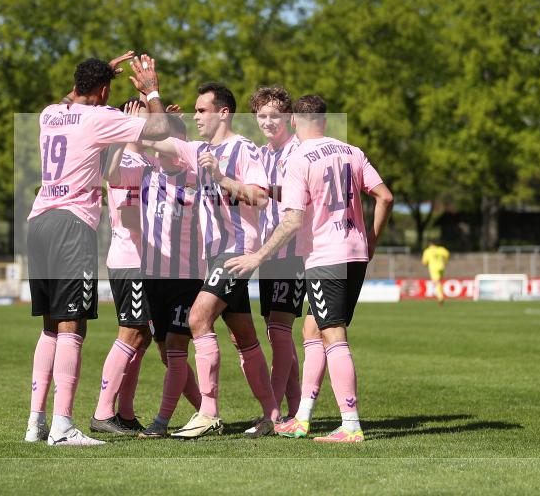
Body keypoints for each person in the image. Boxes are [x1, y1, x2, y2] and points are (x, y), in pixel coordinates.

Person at [226, 95, 394, 443]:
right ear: (325, 121)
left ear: (294, 122)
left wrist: (258, 256)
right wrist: (372, 240)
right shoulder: (352, 151)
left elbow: (293, 220)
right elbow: (385, 197)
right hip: (355, 253)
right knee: (312, 329)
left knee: (333, 334)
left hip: (324, 256)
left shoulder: (299, 158)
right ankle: (301, 418)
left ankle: (350, 425)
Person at [25, 53, 169, 447]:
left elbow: (72, 98)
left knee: (50, 327)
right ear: (104, 91)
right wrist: (151, 90)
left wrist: (98, 72)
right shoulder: (99, 118)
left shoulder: (50, 113)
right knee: (73, 326)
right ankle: (62, 426)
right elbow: (158, 127)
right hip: (72, 225)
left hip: (39, 221)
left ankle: (36, 422)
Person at [146, 82, 278, 439]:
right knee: (243, 336)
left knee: (198, 317)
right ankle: (273, 414)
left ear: (223, 112)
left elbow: (261, 198)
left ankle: (208, 412)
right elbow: (156, 141)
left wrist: (220, 177)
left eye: (202, 110)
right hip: (216, 254)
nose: (196, 116)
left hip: (236, 251)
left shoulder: (243, 148)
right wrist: (151, 96)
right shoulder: (198, 150)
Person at [111, 113, 204, 438]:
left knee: (176, 349)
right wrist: (130, 131)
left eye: (173, 143)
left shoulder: (198, 178)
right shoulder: (146, 176)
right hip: (152, 278)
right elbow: (113, 178)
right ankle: (207, 410)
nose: (166, 150)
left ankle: (161, 423)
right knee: (165, 351)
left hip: (187, 278)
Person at [90, 102, 152, 436]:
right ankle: (102, 413)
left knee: (143, 336)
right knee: (130, 331)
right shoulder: (123, 158)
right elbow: (109, 174)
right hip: (130, 258)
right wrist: (122, 130)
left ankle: (126, 413)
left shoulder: (149, 159)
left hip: (150, 261)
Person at [250, 85, 304, 420]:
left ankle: (270, 413)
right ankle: (296, 411)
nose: (268, 122)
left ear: (288, 117)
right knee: (277, 331)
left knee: (279, 330)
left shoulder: (299, 151)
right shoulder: (260, 154)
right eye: (262, 116)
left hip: (294, 251)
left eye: (275, 115)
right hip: (268, 252)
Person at [422, 241, 450, 306]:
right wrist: (445, 261)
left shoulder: (427, 251)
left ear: (429, 245)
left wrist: (427, 263)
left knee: (436, 283)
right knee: (439, 282)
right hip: (441, 267)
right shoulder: (441, 249)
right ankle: (441, 294)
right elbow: (447, 254)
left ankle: (440, 297)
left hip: (433, 268)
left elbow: (424, 262)